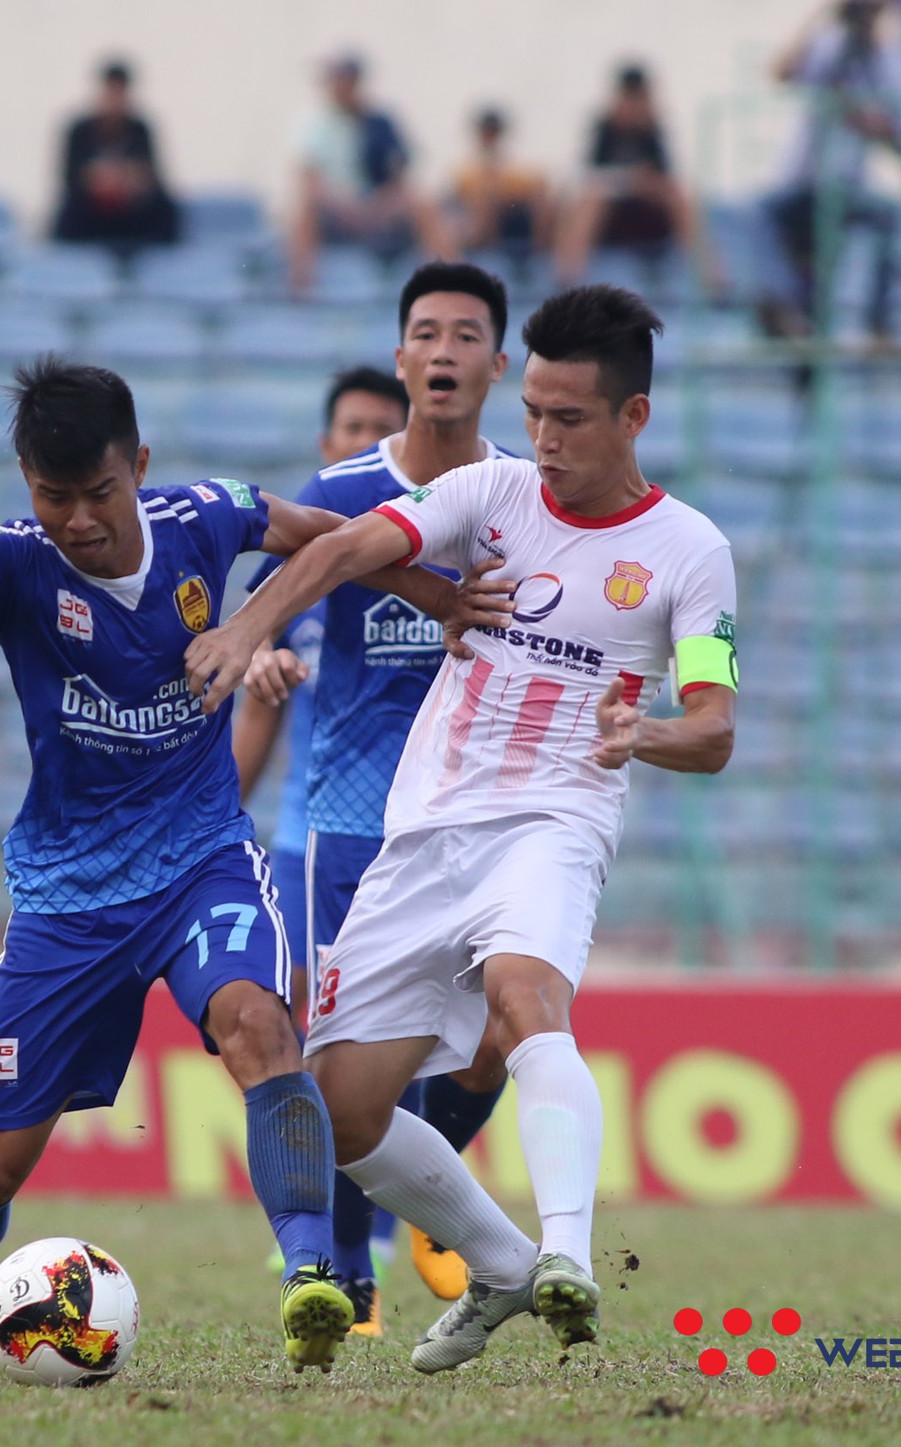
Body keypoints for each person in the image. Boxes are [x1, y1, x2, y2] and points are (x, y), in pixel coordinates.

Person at [0, 359, 501, 1382]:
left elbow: (333, 542)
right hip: (67, 895)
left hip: (199, 859)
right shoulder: (17, 563)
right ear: (27, 486)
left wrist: (439, 595)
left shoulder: (205, 517)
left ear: (138, 465)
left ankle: (314, 1277)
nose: (78, 519)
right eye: (54, 497)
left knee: (260, 1025)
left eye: (97, 492)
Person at [185, 285, 738, 1371]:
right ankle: (501, 1263)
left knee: (523, 998)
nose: (542, 437)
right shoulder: (490, 491)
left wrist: (644, 733)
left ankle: (569, 1254)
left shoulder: (687, 551)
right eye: (531, 410)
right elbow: (346, 549)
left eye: (568, 417)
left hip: (553, 817)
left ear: (631, 417)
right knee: (340, 1116)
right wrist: (251, 622)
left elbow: (713, 728)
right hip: (426, 827)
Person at [243, 262, 526, 1336]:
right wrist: (260, 652)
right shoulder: (348, 497)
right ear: (403, 353)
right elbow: (270, 618)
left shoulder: (520, 497)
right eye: (424, 332)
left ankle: (432, 1188)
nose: (443, 351)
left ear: (495, 364)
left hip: (480, 821)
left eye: (465, 334)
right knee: (343, 1063)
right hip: (349, 828)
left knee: (505, 1031)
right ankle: (351, 1277)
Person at [230, 365, 411, 1032]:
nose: (367, 442)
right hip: (308, 833)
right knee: (271, 1015)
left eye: (383, 432)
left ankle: (398, 1136)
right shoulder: (291, 576)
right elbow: (254, 688)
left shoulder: (436, 557)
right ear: (326, 444)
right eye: (354, 429)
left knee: (426, 1037)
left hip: (417, 834)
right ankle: (312, 1136)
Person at [762, 0, 901, 340]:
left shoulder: (896, 61)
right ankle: (794, 322)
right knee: (790, 253)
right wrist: (825, 12)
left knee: (886, 223)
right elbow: (780, 72)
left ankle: (879, 325)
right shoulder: (828, 45)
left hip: (848, 185)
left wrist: (851, 111)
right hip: (802, 182)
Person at [287, 54, 456, 293]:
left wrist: (378, 205)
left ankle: (447, 281)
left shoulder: (379, 121)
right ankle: (302, 288)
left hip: (375, 207)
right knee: (304, 210)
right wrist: (343, 206)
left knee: (423, 204)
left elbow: (399, 173)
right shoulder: (313, 124)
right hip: (335, 210)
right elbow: (309, 180)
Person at [553, 64, 711, 290]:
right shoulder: (604, 127)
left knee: (680, 195)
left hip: (646, 212)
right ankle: (568, 277)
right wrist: (630, 180)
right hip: (609, 214)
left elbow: (664, 176)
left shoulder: (651, 128)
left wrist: (646, 183)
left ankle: (709, 277)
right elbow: (588, 176)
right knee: (592, 198)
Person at [51, 58, 179, 251]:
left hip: (130, 209)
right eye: (111, 92)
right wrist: (98, 181)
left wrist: (128, 181)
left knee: (165, 208)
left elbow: (152, 175)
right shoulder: (79, 130)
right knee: (69, 212)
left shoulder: (139, 129)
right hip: (92, 210)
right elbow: (70, 177)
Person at [451, 108, 554, 261]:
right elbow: (460, 199)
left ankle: (539, 253)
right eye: (487, 132)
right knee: (486, 194)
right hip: (478, 222)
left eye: (493, 132)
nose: (491, 137)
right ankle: (479, 250)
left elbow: (534, 188)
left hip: (512, 216)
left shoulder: (513, 168)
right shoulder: (466, 169)